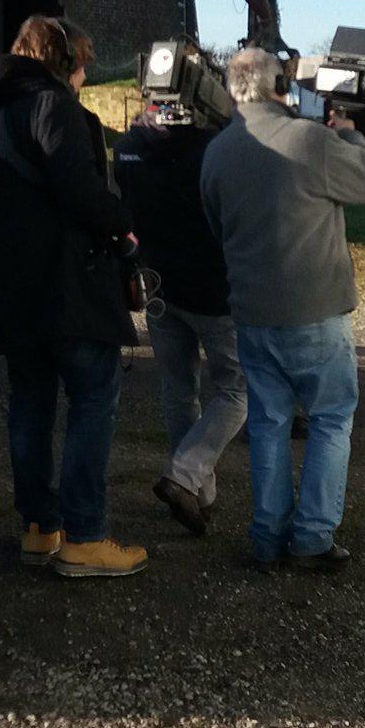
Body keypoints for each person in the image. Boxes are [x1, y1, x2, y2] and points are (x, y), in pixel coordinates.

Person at [0, 15, 146, 577]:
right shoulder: (51, 105)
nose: (84, 73)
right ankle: (85, 537)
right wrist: (124, 233)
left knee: (30, 403)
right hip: (63, 284)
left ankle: (40, 527)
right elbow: (79, 190)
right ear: (65, 62)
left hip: (9, 285)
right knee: (92, 397)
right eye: (81, 63)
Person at [200, 49, 365, 568]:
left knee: (267, 422)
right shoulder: (309, 139)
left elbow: (217, 227)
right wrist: (348, 130)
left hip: (251, 310)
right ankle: (312, 538)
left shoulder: (217, 151)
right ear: (282, 84)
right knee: (330, 419)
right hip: (315, 310)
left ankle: (267, 536)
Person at [114, 98, 247, 536]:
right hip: (214, 291)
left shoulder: (130, 145)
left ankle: (198, 494)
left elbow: (125, 199)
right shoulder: (216, 147)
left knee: (178, 391)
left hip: (159, 285)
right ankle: (186, 477)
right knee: (236, 390)